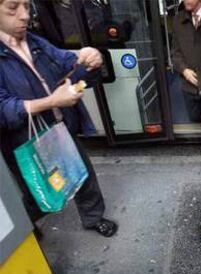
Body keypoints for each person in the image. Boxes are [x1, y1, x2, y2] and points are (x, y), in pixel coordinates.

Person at [0, 0, 118, 237]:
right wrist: (52, 101)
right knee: (35, 186)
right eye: (13, 8)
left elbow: (66, 61)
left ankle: (94, 217)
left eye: (26, 6)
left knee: (81, 172)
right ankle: (28, 227)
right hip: (23, 138)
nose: (24, 16)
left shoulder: (33, 41)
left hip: (58, 126)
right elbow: (4, 109)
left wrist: (90, 58)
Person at [171, 0, 201, 180]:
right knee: (195, 116)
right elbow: (175, 52)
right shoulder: (178, 20)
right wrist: (183, 70)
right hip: (189, 83)